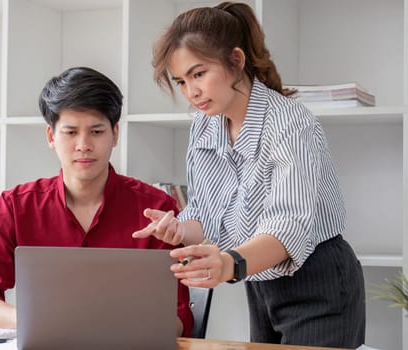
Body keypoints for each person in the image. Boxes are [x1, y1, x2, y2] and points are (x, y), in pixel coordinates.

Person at [132, 2, 365, 347]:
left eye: (198, 74)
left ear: (236, 61)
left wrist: (228, 264)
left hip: (318, 280)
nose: (190, 92)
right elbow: (208, 216)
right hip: (259, 280)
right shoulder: (204, 125)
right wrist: (180, 229)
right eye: (181, 81)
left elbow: (289, 227)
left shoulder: (289, 122)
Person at [0, 66, 193, 337]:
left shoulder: (156, 208)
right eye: (70, 132)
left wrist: (111, 328)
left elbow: (179, 318)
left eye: (96, 131)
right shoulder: (15, 206)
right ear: (51, 137)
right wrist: (35, 320)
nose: (83, 145)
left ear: (115, 134)